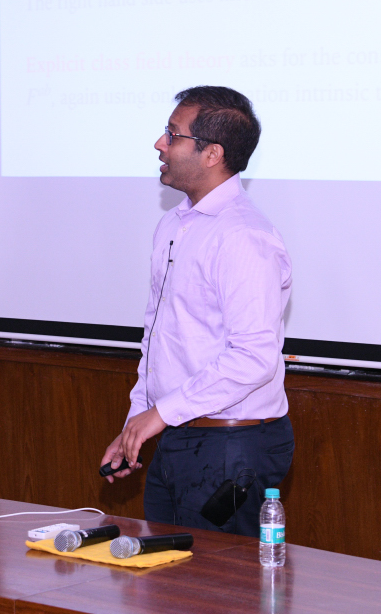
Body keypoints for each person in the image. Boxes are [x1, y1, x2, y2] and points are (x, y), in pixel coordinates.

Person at [100, 86, 294, 537]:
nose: (159, 144)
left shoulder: (244, 238)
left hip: (234, 447)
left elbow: (254, 357)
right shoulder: (173, 225)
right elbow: (159, 337)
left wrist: (160, 414)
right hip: (177, 433)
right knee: (163, 570)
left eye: (173, 134)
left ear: (212, 154)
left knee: (214, 577)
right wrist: (136, 425)